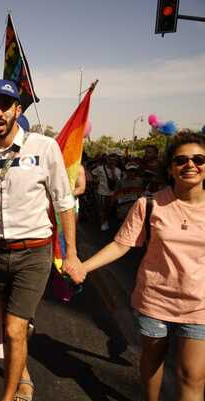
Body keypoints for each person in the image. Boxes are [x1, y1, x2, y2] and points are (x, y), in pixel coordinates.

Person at [0, 79, 80, 401]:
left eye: (5, 105)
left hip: (34, 253)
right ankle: (22, 370)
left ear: (17, 110)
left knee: (12, 328)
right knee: (12, 324)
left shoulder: (44, 147)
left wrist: (72, 254)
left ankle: (7, 396)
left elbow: (64, 203)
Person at [67, 132, 205, 401]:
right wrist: (83, 267)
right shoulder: (149, 204)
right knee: (152, 363)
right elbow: (120, 245)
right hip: (155, 302)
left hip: (199, 305)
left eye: (198, 159)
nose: (190, 165)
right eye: (181, 160)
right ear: (170, 168)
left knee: (192, 376)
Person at [92, 152, 122, 231]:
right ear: (107, 160)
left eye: (114, 160)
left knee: (109, 208)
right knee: (102, 208)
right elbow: (93, 174)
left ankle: (105, 221)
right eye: (110, 159)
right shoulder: (100, 168)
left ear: (116, 161)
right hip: (102, 192)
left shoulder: (118, 170)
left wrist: (113, 171)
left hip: (112, 193)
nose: (112, 162)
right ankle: (103, 223)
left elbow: (117, 182)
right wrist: (96, 182)